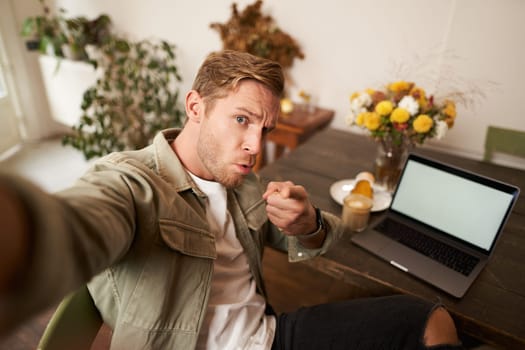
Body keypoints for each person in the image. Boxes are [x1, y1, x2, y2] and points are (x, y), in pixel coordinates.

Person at [0, 50, 463, 349]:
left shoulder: (245, 185)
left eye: (263, 129)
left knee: (431, 319)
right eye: (241, 120)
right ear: (195, 107)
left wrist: (310, 225)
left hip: (270, 338)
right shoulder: (131, 184)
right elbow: (74, 227)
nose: (255, 146)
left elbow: (329, 233)